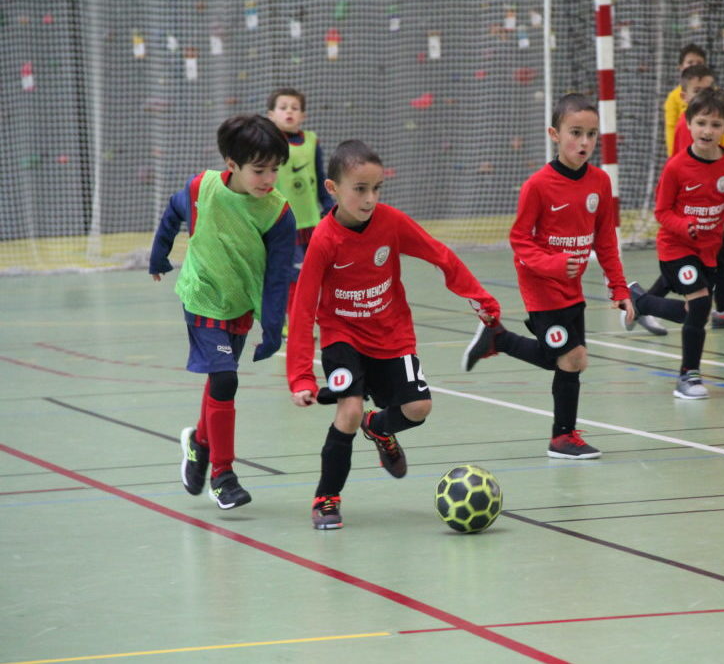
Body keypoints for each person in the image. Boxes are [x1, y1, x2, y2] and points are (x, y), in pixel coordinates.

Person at [287, 139, 501, 530]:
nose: (370, 198)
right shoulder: (324, 239)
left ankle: (379, 427)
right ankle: (326, 497)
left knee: (418, 409)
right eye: (360, 189)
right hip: (343, 335)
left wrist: (478, 296)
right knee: (348, 411)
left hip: (391, 333)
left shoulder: (392, 223)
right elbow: (302, 309)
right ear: (332, 189)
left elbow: (441, 256)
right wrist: (300, 374)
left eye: (377, 188)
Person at [462, 93, 634, 460]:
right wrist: (555, 264)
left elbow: (605, 239)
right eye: (576, 132)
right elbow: (520, 241)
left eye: (591, 134)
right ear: (555, 134)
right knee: (573, 358)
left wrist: (619, 287)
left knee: (566, 358)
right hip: (541, 287)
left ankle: (498, 339)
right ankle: (562, 438)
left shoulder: (600, 183)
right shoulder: (538, 185)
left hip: (572, 290)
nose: (584, 142)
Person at [149, 114, 295, 510]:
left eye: (275, 170)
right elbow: (173, 213)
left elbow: (278, 276)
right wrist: (159, 255)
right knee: (226, 378)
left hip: (239, 303)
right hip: (201, 296)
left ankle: (198, 444)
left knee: (219, 380)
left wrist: (273, 326)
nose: (269, 179)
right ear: (232, 165)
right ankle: (222, 474)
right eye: (259, 170)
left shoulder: (278, 214)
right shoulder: (202, 188)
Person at [629, 88, 724, 400]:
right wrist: (685, 227)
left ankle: (640, 300)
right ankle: (688, 377)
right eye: (701, 123)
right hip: (675, 248)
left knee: (695, 313)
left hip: (709, 251)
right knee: (700, 306)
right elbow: (662, 212)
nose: (707, 131)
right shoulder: (676, 167)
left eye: (715, 125)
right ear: (688, 124)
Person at [639, 50, 724, 336]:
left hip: (709, 217)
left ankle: (720, 308)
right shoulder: (686, 133)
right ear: (684, 97)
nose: (708, 129)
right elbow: (683, 169)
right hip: (685, 213)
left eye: (708, 90)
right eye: (697, 91)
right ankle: (644, 305)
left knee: (714, 259)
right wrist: (689, 214)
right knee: (685, 277)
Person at [266, 87, 333, 332]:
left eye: (294, 108)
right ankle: (294, 325)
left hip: (310, 221)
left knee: (314, 274)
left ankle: (303, 319)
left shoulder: (312, 141)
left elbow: (319, 174)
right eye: (283, 108)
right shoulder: (270, 143)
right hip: (283, 222)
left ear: (303, 115)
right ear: (271, 114)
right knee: (292, 275)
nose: (289, 112)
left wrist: (328, 205)